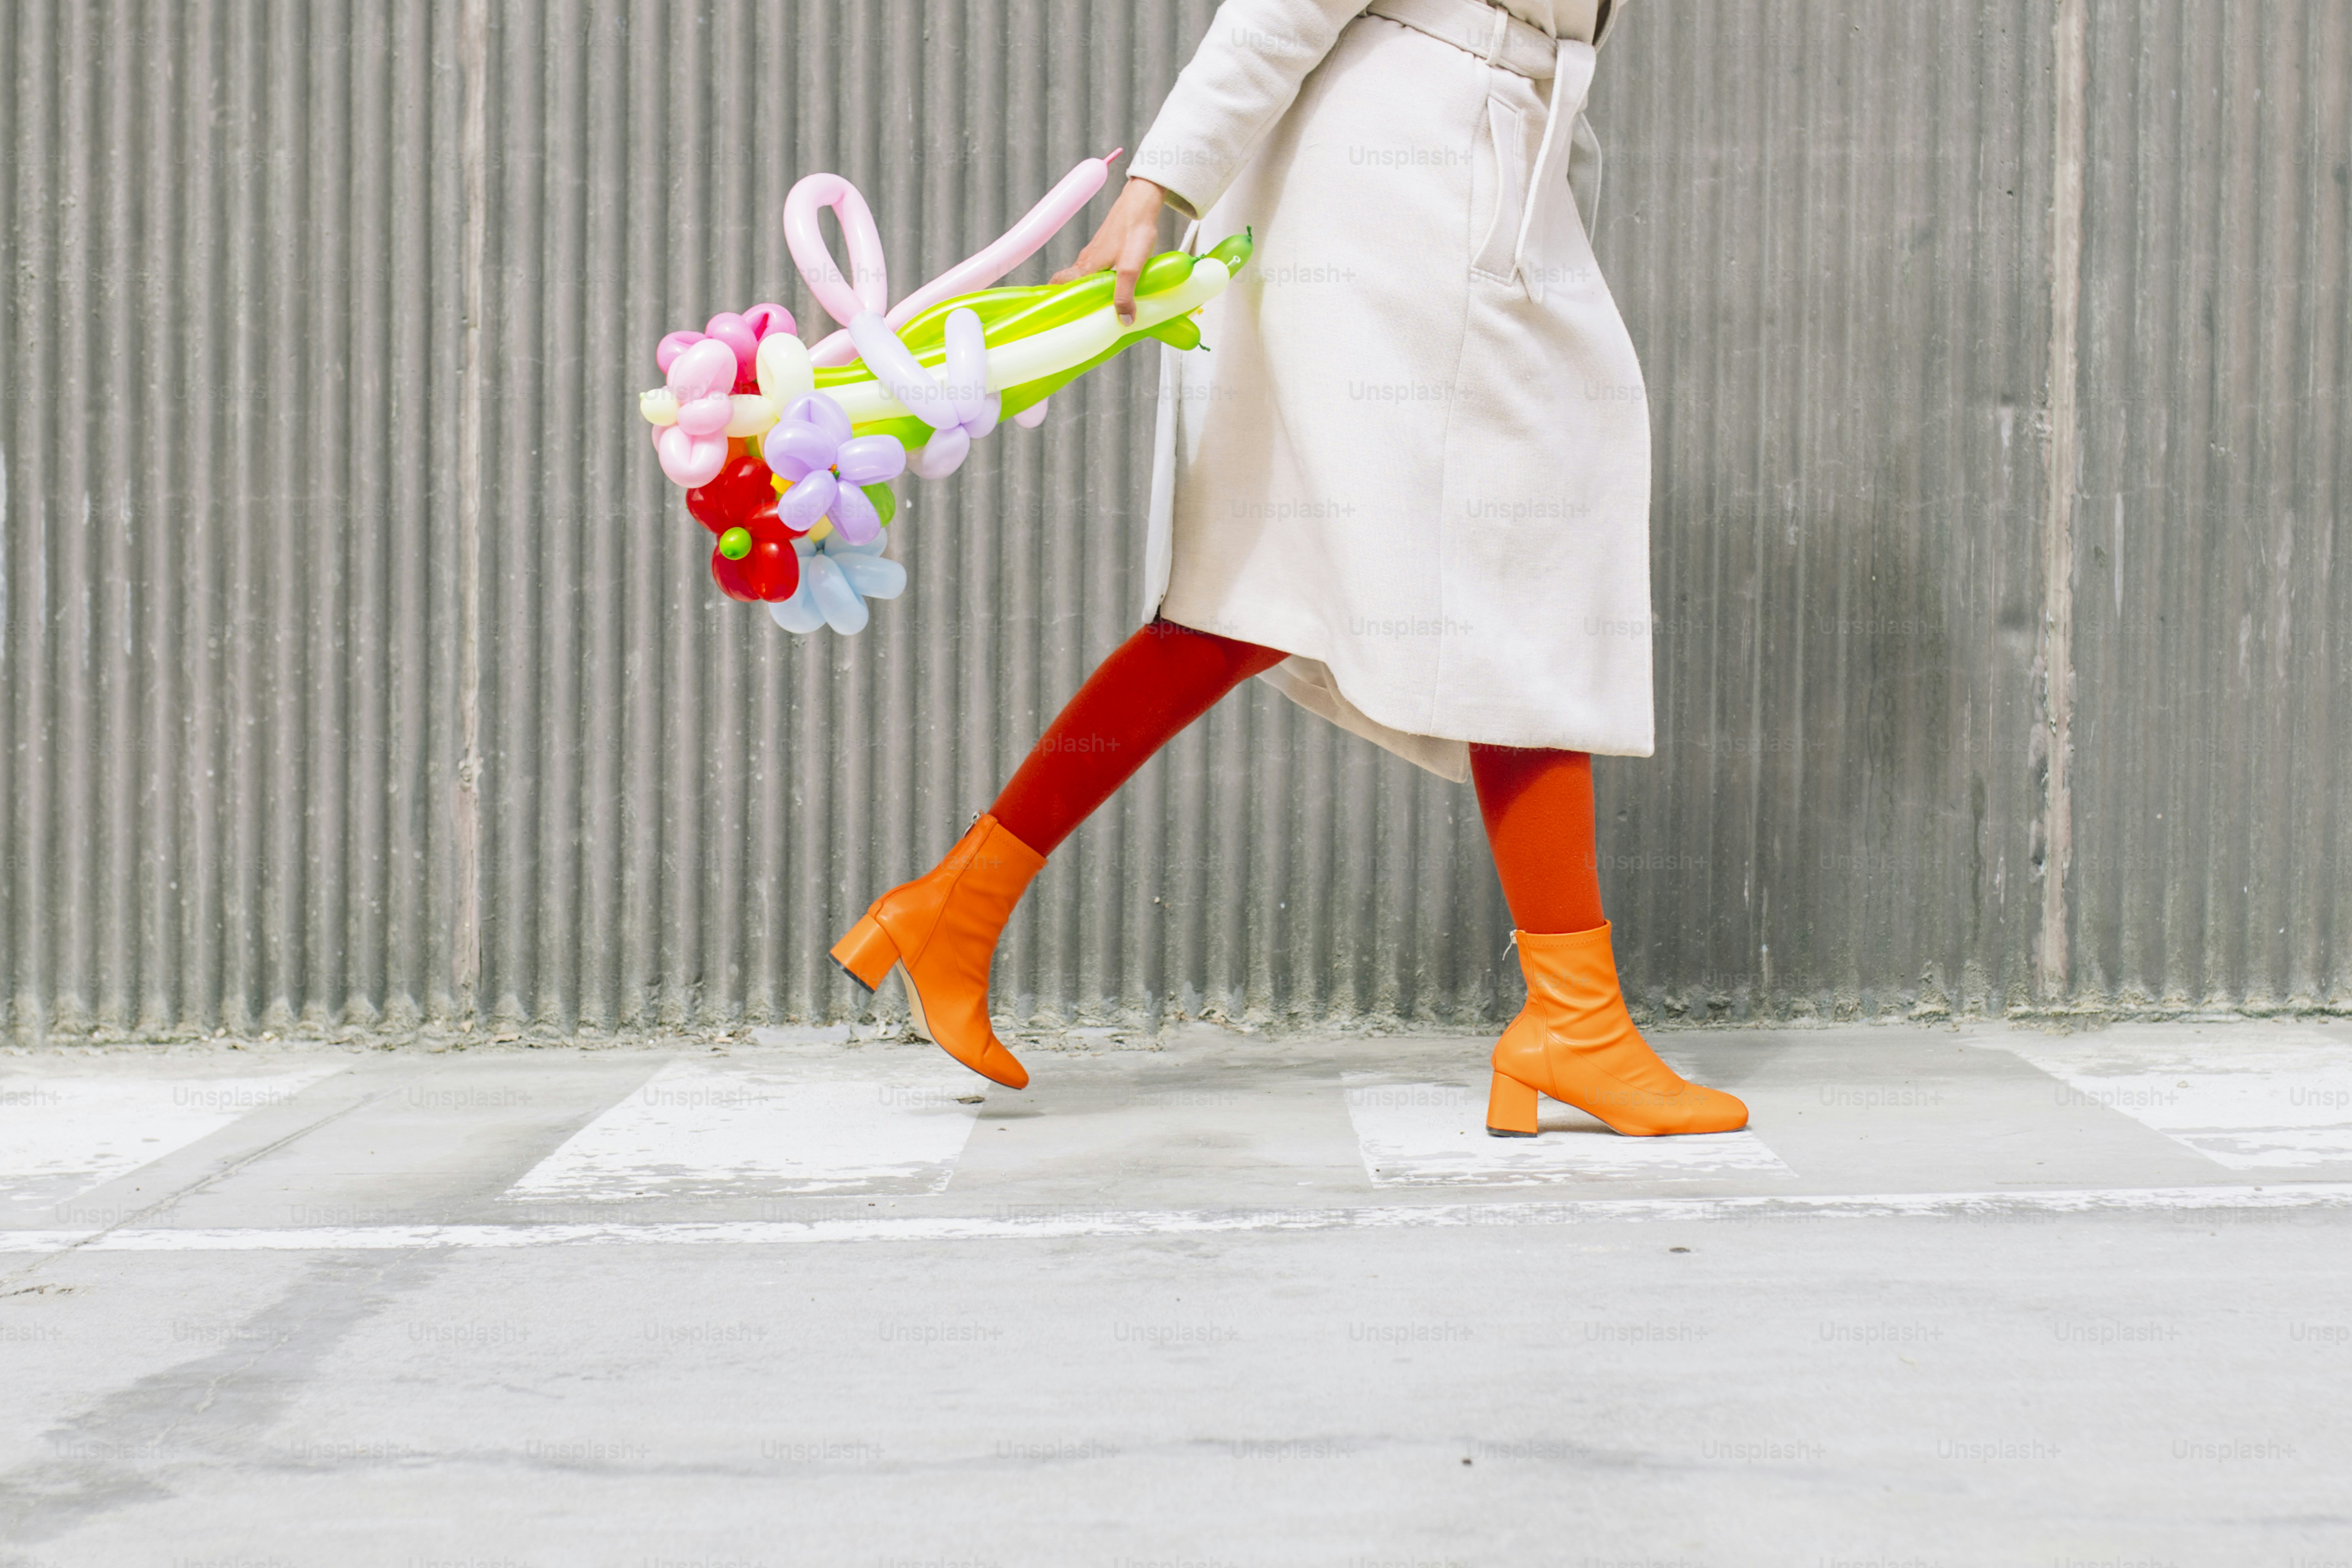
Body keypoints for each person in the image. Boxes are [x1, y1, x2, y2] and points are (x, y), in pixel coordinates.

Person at [829, 0, 1746, 1139]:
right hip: (1405, 189)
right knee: (1512, 580)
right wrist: (1155, 188)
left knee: (1266, 588)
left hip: (1445, 181)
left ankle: (958, 902)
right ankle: (1576, 1020)